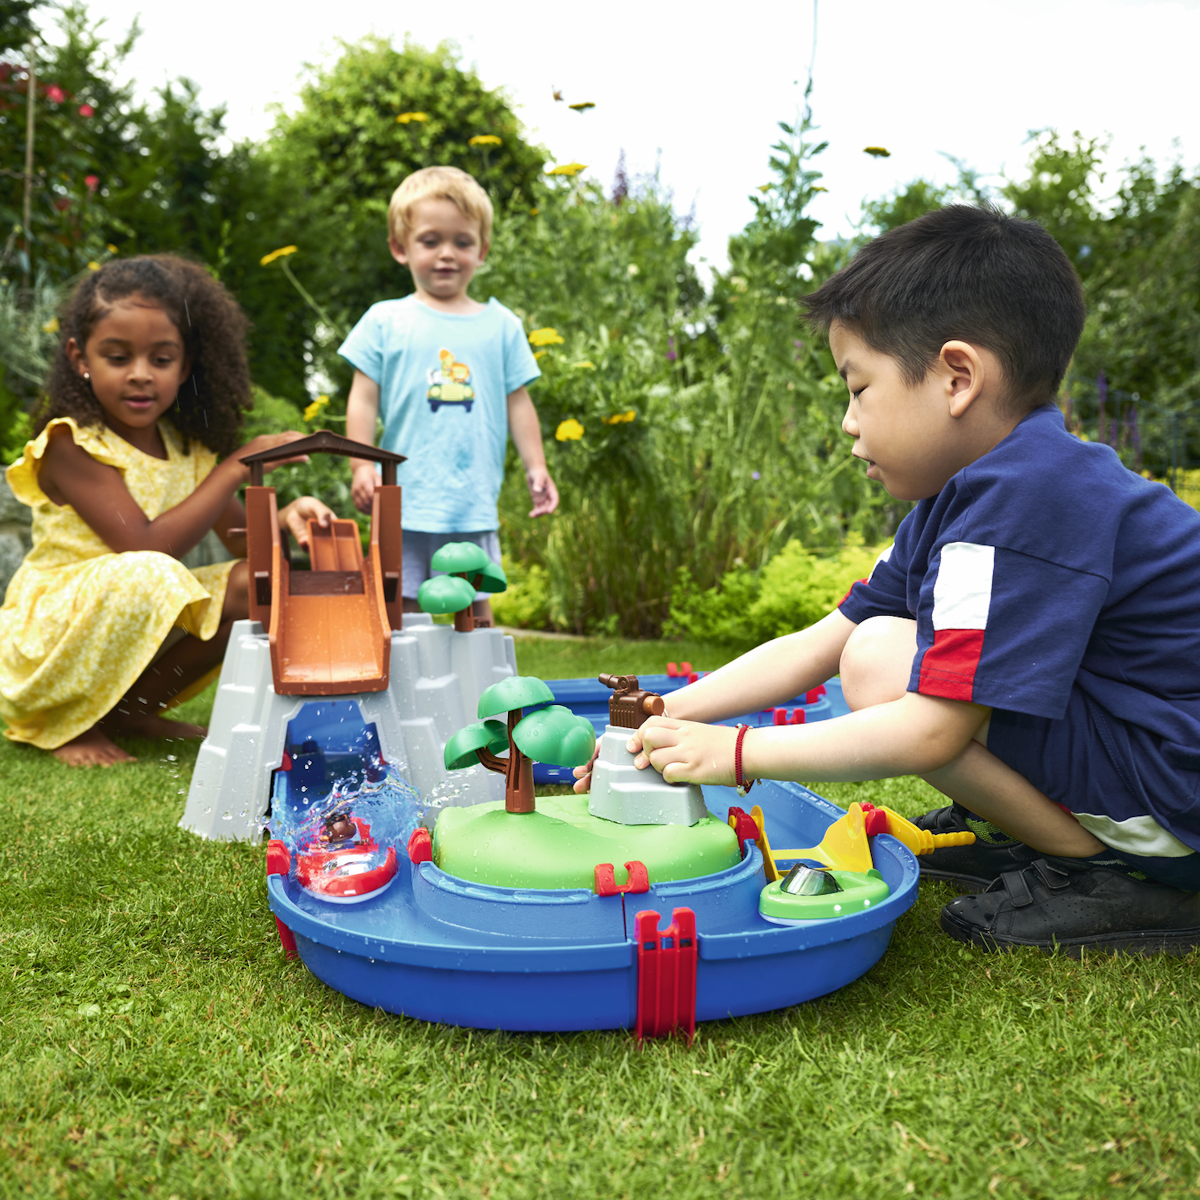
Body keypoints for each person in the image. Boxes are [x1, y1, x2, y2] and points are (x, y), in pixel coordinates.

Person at [577, 205, 1200, 955]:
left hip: (1176, 790)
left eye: (859, 387)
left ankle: (1093, 870)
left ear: (957, 377)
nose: (848, 420)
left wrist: (734, 753)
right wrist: (659, 714)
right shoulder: (974, 493)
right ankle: (1050, 836)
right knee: (873, 647)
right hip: (1143, 747)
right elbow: (820, 643)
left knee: (883, 664)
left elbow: (932, 726)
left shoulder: (1030, 496)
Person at [0, 255, 333, 767]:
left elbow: (250, 547)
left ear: (186, 364)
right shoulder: (71, 444)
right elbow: (145, 546)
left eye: (160, 359)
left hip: (131, 592)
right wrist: (239, 466)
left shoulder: (189, 451)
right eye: (117, 357)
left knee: (258, 583)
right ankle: (66, 722)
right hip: (52, 632)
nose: (140, 375)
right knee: (152, 570)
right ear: (79, 356)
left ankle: (131, 712)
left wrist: (285, 517)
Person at [341, 165, 558, 626]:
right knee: (404, 605)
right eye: (430, 240)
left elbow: (518, 403)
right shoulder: (384, 320)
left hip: (470, 495)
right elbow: (363, 398)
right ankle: (405, 693)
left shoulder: (502, 326)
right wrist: (361, 465)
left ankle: (489, 693)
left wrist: (536, 466)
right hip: (405, 497)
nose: (446, 254)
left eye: (462, 242)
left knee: (475, 602)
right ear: (401, 248)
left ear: (482, 251)